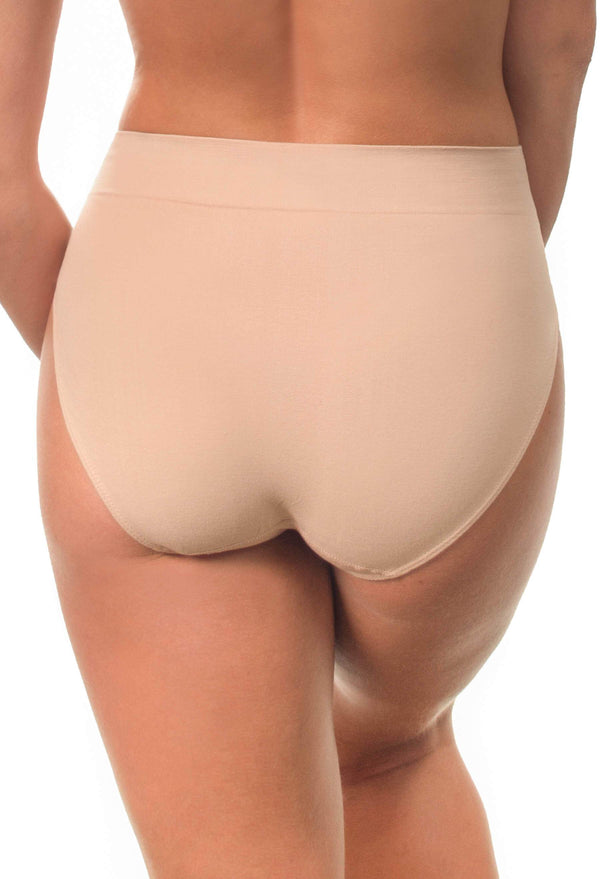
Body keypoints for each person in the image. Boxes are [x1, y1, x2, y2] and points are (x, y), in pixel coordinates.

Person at [1, 1, 596, 877]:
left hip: (159, 289)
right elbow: (560, 40)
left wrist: (107, 364)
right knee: (391, 761)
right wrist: (473, 288)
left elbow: (3, 192)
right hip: (434, 278)